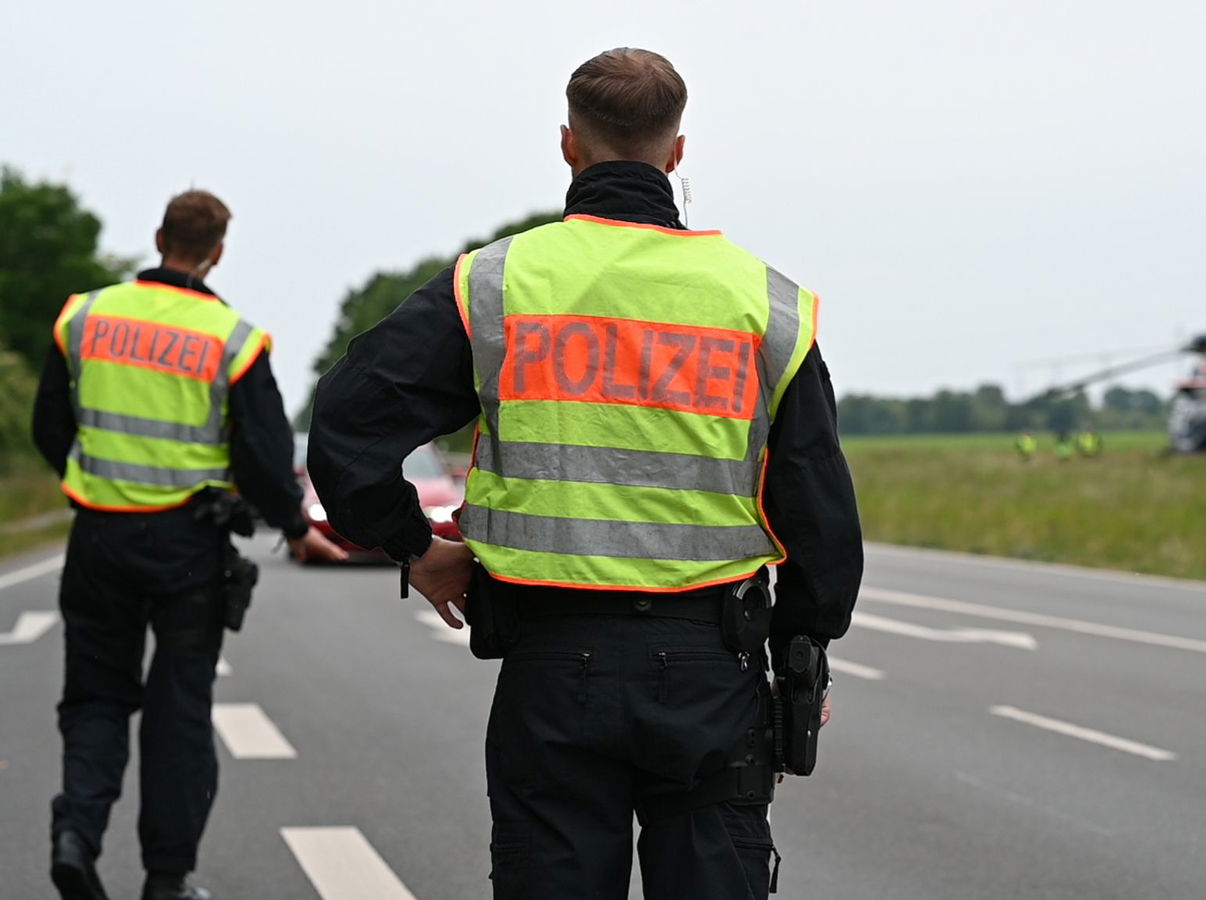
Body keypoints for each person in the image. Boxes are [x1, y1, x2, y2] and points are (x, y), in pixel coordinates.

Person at [308, 48, 862, 898]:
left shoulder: (494, 286)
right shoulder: (766, 304)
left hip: (552, 667)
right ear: (677, 154)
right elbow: (819, 511)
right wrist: (801, 644)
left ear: (569, 145)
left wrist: (417, 548)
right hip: (711, 670)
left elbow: (346, 430)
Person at [31, 190, 346, 900]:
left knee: (95, 699)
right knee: (178, 711)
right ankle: (166, 882)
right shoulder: (232, 340)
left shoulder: (85, 316)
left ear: (157, 237)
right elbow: (266, 460)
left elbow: (50, 427)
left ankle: (75, 835)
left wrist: (92, 481)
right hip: (187, 550)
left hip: (98, 539)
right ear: (218, 252)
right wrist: (298, 531)